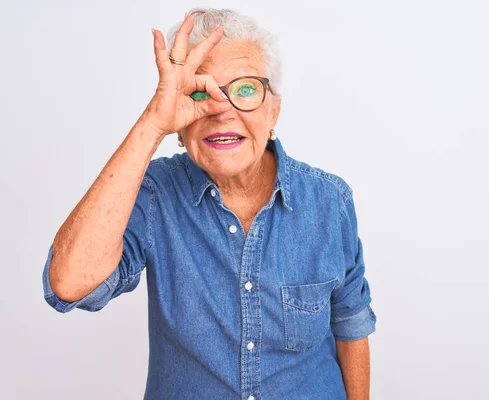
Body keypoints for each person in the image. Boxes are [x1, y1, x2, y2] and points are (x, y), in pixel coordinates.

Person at [41, 7, 377, 400]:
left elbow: (350, 325)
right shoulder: (154, 194)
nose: (221, 109)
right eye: (199, 92)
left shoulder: (329, 200)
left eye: (246, 89)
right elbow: (68, 283)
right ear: (180, 128)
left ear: (274, 112)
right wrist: (153, 122)